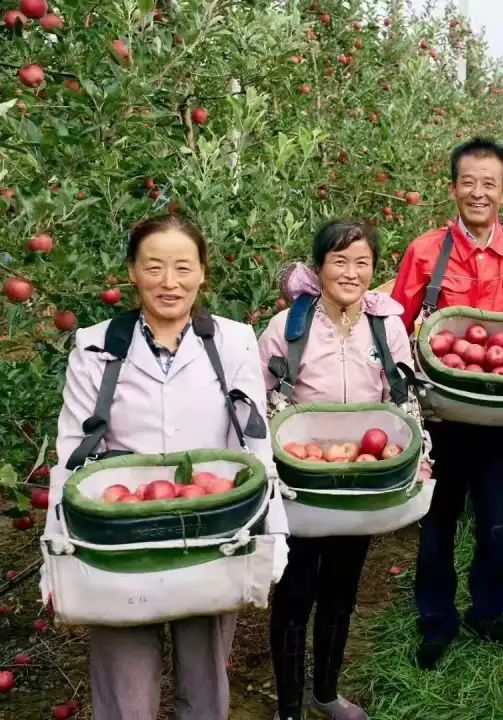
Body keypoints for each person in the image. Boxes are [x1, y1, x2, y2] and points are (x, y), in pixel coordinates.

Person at [49, 214, 287, 720]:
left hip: (210, 527)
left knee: (205, 682)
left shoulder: (233, 341)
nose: (169, 281)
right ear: (132, 272)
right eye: (153, 267)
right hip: (121, 536)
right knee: (124, 690)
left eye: (183, 266)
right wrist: (59, 549)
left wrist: (274, 534)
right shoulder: (96, 345)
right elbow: (72, 450)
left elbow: (253, 442)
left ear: (203, 272)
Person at [390, 137, 503, 670]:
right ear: (452, 188)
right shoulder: (425, 251)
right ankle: (436, 619)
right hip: (444, 415)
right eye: (468, 182)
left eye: (489, 183)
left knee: (496, 520)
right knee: (438, 519)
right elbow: (399, 328)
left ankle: (488, 612)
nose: (478, 192)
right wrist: (403, 395)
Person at [258, 221, 415, 720]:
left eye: (362, 262)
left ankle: (325, 693)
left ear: (374, 269)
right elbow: (258, 400)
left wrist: (415, 452)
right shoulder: (288, 327)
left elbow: (402, 396)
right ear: (320, 265)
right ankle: (288, 706)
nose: (351, 272)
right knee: (294, 592)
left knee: (341, 590)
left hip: (362, 480)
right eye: (340, 261)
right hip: (302, 484)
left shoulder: (387, 326)